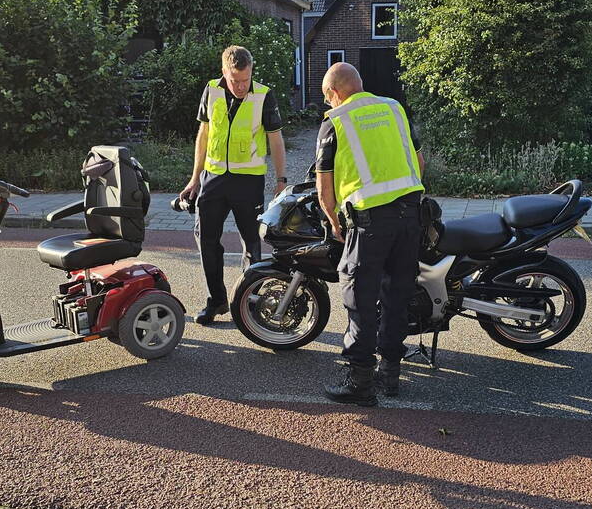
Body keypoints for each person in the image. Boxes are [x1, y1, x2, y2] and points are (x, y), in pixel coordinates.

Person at [314, 62, 425, 405]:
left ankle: (360, 382)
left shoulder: (335, 121)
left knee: (360, 298)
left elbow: (324, 186)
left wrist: (334, 222)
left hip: (370, 222)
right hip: (411, 215)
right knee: (397, 294)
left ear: (333, 93)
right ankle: (390, 374)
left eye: (326, 98)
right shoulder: (394, 109)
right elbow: (419, 161)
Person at [179, 46, 288, 325]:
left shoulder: (264, 94)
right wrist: (194, 179)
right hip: (213, 180)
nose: (241, 86)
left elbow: (276, 139)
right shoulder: (211, 90)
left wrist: (281, 180)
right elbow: (203, 135)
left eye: (245, 80)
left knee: (252, 244)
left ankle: (250, 304)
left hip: (248, 182)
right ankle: (216, 301)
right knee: (206, 241)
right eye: (235, 80)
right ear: (224, 72)